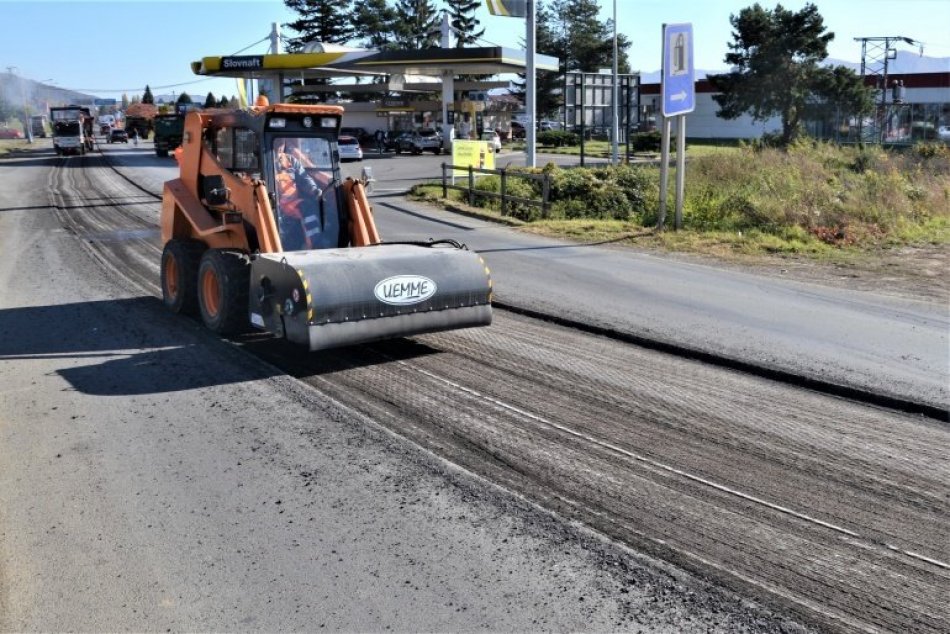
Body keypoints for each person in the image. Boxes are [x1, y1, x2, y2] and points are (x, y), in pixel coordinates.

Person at [274, 138, 338, 251]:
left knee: (316, 206)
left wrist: (316, 191)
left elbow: (304, 178)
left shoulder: (290, 160)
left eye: (281, 143)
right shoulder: (266, 162)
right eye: (276, 143)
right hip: (273, 204)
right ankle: (315, 243)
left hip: (291, 203)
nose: (279, 146)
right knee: (307, 207)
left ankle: (321, 241)